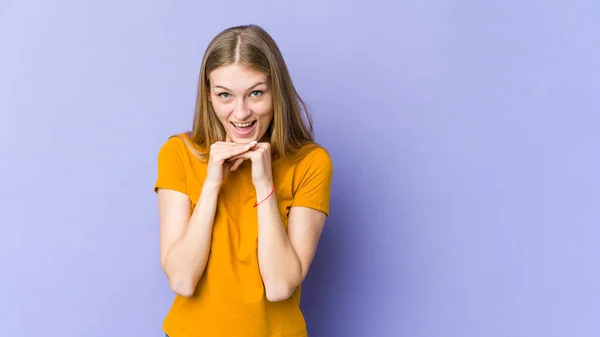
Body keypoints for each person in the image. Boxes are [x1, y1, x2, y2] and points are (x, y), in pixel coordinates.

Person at [153, 24, 333, 337]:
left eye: (256, 93)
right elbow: (181, 279)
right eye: (225, 95)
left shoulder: (310, 162)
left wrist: (264, 185)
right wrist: (211, 184)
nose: (241, 112)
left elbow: (279, 286)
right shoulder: (178, 154)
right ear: (209, 96)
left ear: (276, 92)